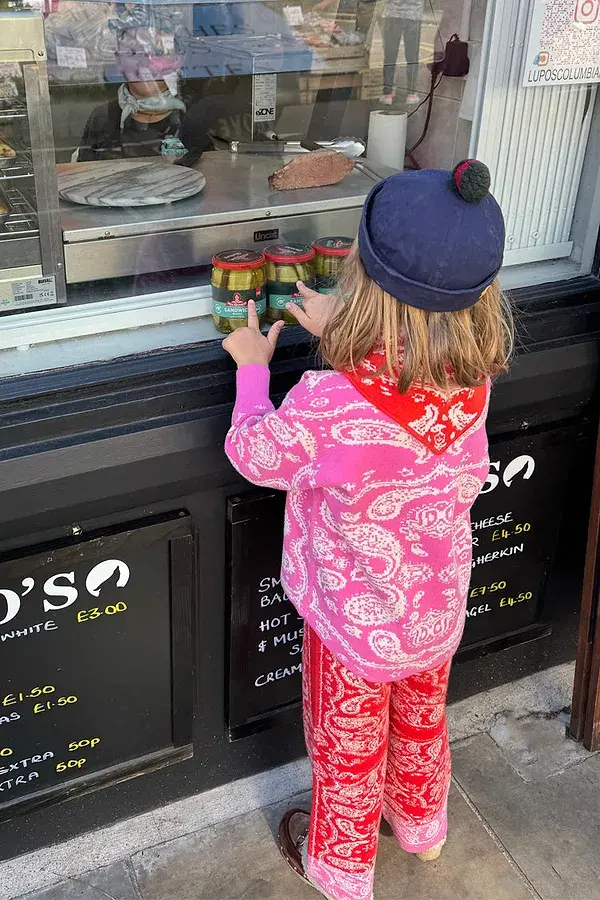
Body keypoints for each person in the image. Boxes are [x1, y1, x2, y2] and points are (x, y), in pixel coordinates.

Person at [222, 159, 510, 900]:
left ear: (367, 284)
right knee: (421, 723)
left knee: (346, 749)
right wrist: (340, 332)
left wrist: (253, 371)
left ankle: (341, 871)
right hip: (435, 611)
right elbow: (403, 374)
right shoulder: (474, 372)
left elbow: (257, 457)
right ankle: (423, 828)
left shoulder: (328, 399)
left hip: (353, 626)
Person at [380, 0, 424, 105]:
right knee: (412, 56)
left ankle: (387, 94)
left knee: (390, 55)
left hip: (393, 14)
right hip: (413, 15)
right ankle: (411, 94)